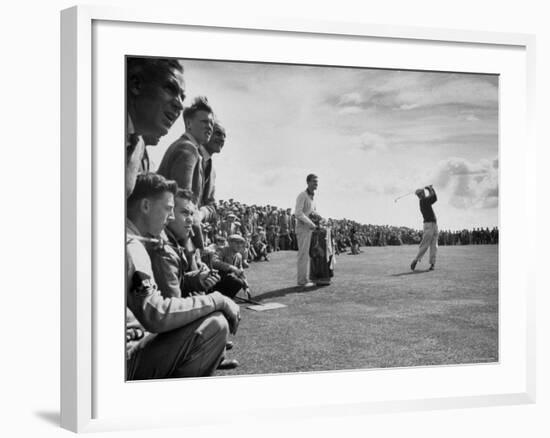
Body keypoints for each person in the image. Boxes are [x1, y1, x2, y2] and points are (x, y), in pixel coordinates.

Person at [126, 173, 241, 379]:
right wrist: (217, 300)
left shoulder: (136, 239)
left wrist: (194, 280)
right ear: (145, 206)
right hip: (125, 360)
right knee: (215, 326)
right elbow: (156, 314)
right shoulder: (132, 247)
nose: (170, 217)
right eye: (168, 209)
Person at [126, 57, 185, 197]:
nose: (180, 104)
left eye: (182, 97)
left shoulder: (137, 143)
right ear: (136, 85)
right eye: (170, 88)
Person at [294, 174, 319, 287]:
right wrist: (311, 223)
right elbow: (298, 213)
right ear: (308, 182)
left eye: (317, 182)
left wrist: (321, 219)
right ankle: (302, 281)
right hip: (303, 229)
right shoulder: (302, 195)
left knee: (307, 255)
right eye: (314, 181)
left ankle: (305, 278)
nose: (316, 184)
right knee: (303, 255)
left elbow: (313, 213)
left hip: (310, 230)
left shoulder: (312, 197)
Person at [410, 185, 439, 271]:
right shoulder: (424, 201)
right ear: (421, 194)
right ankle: (416, 259)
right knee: (425, 245)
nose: (424, 193)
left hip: (433, 224)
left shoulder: (423, 201)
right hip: (429, 225)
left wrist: (429, 189)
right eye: (423, 192)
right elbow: (434, 197)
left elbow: (433, 197)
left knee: (434, 246)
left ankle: (432, 264)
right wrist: (430, 188)